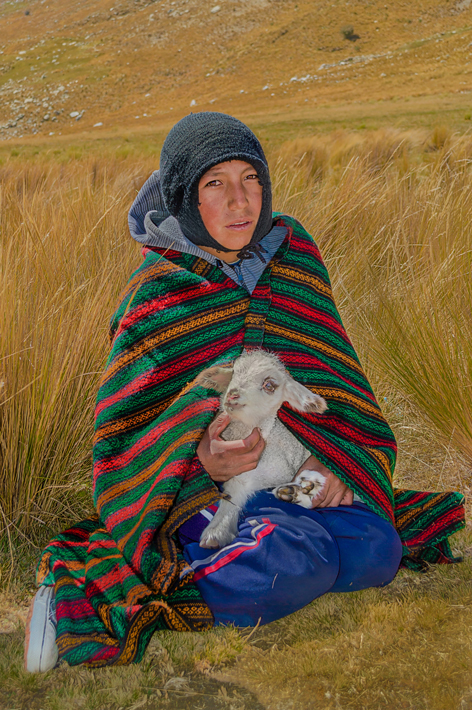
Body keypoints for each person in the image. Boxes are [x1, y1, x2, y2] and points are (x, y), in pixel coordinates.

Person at [24, 112, 465, 672]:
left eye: (250, 178)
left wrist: (335, 466)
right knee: (294, 561)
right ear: (186, 197)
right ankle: (149, 572)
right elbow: (129, 431)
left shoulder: (293, 257)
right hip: (195, 494)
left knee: (378, 552)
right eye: (216, 184)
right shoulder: (157, 292)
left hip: (289, 479)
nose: (240, 201)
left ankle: (284, 543)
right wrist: (201, 458)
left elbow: (335, 379)